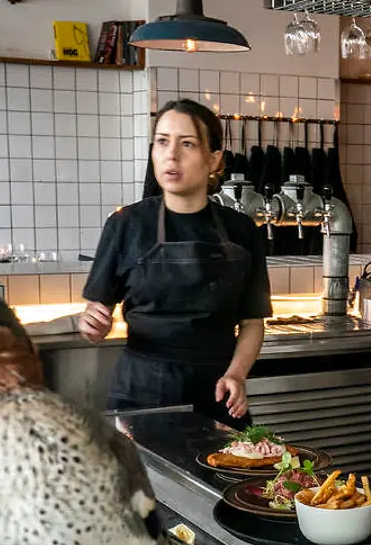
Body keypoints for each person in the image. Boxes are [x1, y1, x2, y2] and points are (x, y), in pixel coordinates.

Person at [80, 99, 272, 427]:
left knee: (227, 477)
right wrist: (92, 324)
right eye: (162, 142)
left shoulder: (242, 231)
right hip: (140, 394)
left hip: (217, 393)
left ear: (214, 160)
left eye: (187, 144)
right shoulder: (125, 225)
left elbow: (253, 322)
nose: (172, 155)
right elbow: (94, 317)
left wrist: (237, 376)